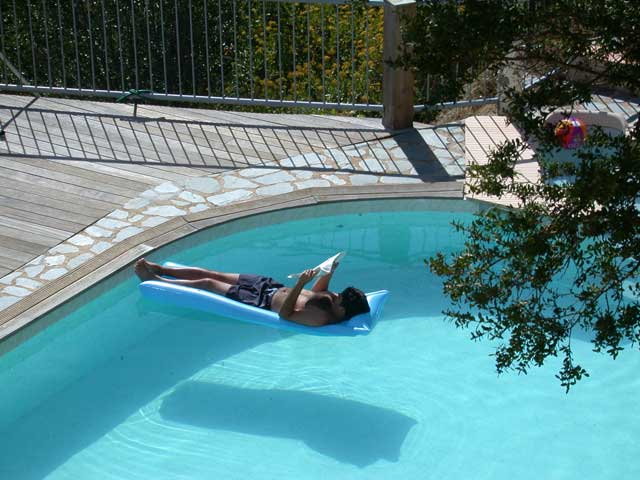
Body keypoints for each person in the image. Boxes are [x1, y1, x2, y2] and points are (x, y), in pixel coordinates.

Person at [135, 258, 370, 327]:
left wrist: (300, 284)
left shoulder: (320, 319)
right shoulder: (333, 302)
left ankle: (156, 281)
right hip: (269, 285)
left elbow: (286, 314)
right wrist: (328, 271)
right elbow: (319, 292)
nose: (336, 296)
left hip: (260, 300)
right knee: (214, 273)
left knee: (208, 283)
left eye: (339, 299)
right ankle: (162, 270)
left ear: (342, 310)